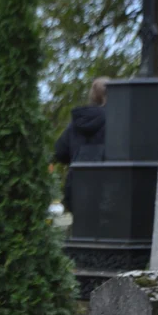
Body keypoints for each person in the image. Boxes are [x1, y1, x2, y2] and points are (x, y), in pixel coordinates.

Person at [52, 76, 109, 213]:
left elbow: (59, 152)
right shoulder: (117, 120)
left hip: (77, 191)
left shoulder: (76, 124)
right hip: (108, 192)